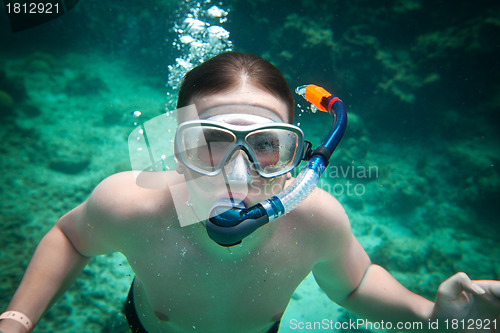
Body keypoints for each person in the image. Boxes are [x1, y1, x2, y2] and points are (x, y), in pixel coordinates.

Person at [0, 52, 498, 333]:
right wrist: (18, 319)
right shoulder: (133, 204)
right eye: (210, 144)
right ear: (177, 151)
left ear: (296, 158)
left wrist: (434, 319)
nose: (238, 173)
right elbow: (71, 238)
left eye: (266, 146)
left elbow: (354, 284)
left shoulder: (316, 220)